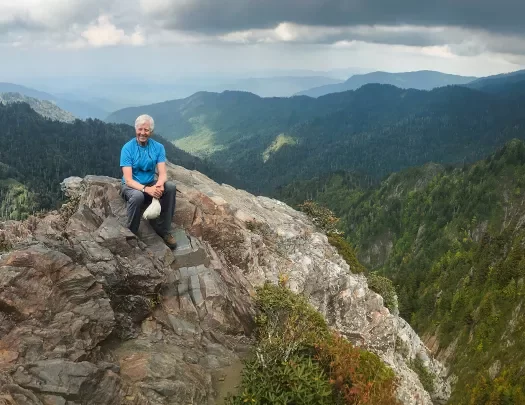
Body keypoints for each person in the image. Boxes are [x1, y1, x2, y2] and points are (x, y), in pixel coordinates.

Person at [120, 114, 177, 249]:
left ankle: (164, 230)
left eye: (146, 130)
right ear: (135, 130)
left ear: (151, 131)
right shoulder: (127, 148)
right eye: (140, 129)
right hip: (131, 186)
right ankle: (131, 233)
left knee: (171, 187)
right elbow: (128, 180)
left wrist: (159, 185)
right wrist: (147, 190)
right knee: (138, 196)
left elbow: (163, 174)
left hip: (150, 183)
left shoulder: (158, 147)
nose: (142, 133)